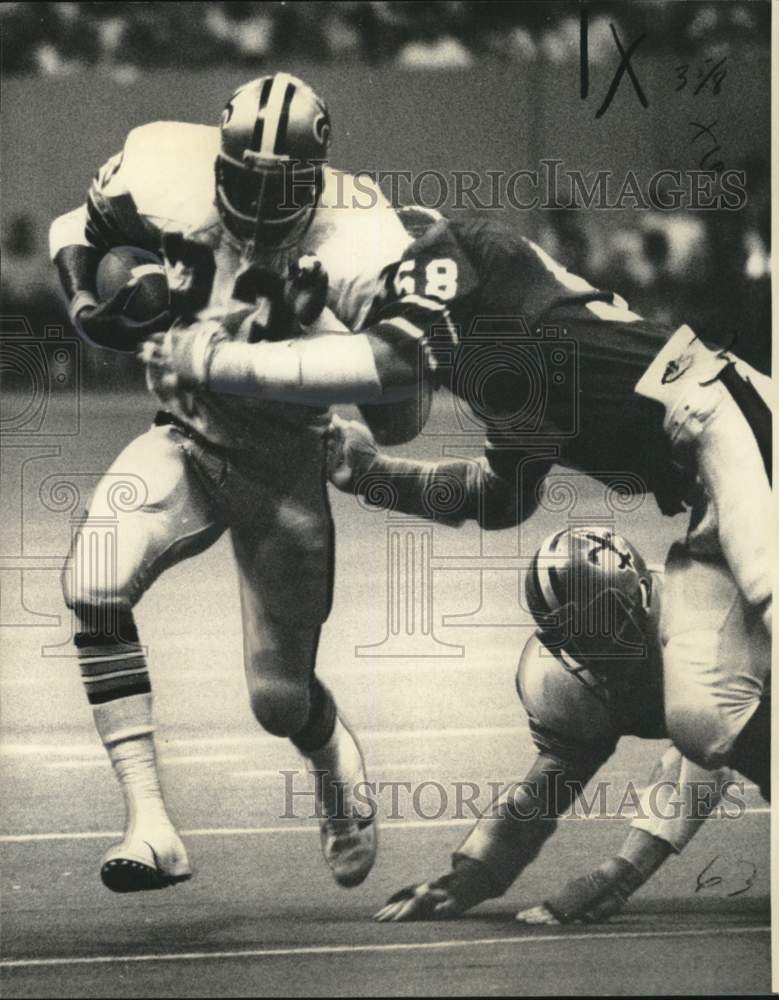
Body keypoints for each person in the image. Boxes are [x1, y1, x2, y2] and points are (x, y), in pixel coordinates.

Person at [146, 204, 772, 796]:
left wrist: (217, 360)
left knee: (768, 586)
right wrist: (375, 475)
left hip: (724, 413)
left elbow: (388, 358)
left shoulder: (468, 253)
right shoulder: (498, 371)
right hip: (703, 487)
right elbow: (498, 498)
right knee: (705, 717)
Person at [48, 72, 417, 893]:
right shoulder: (162, 162)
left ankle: (331, 756)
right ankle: (151, 825)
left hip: (284, 468)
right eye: (242, 178)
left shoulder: (364, 238)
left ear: (314, 180)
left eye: (275, 186)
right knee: (92, 584)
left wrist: (352, 385)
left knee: (277, 700)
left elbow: (403, 408)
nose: (254, 202)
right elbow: (76, 226)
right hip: (183, 435)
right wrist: (87, 305)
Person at [361, 524, 736, 923]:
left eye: (608, 626)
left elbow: (708, 752)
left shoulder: (709, 624)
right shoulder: (563, 676)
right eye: (578, 640)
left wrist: (622, 874)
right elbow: (546, 790)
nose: (599, 652)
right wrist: (471, 874)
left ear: (643, 597)